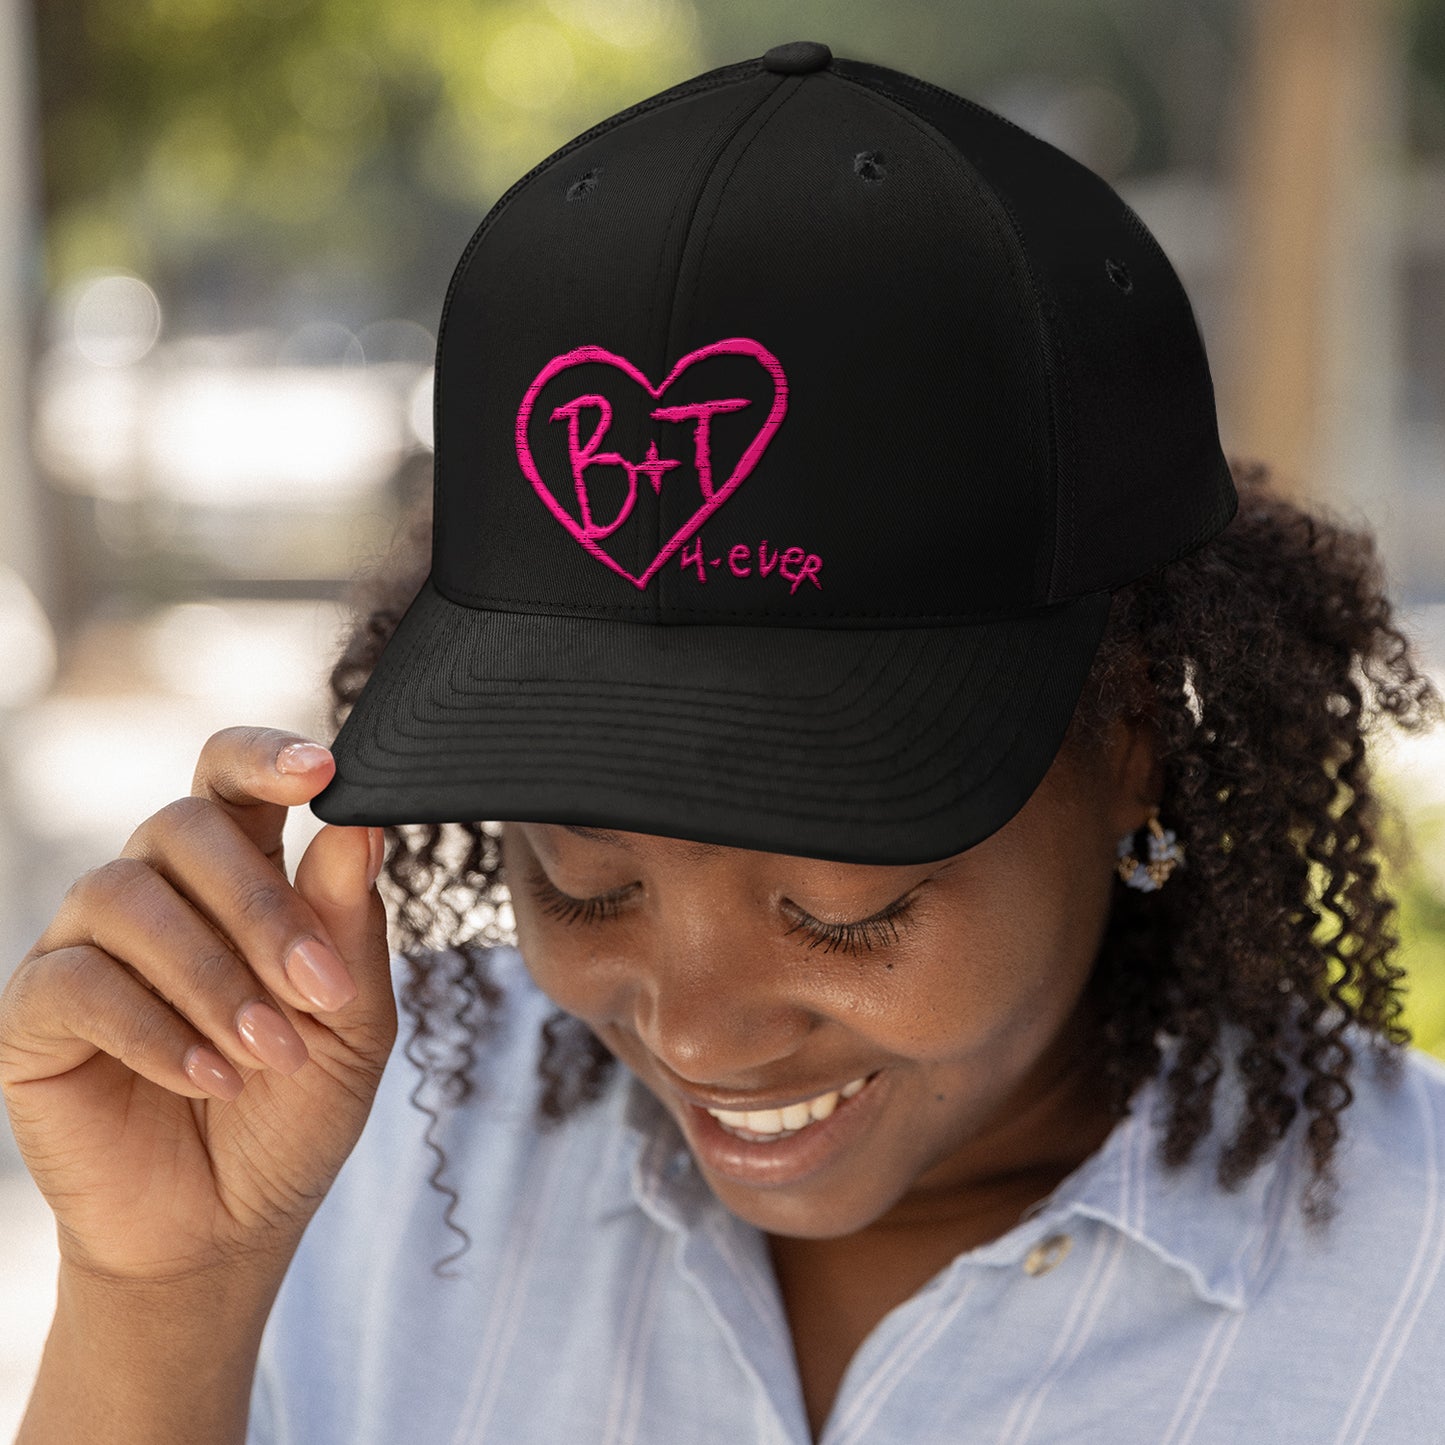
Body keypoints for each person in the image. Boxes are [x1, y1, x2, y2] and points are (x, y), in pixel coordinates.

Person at [4, 39, 1445, 1445]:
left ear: (1131, 733)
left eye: (841, 908)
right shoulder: (361, 1142)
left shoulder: (1406, 1297)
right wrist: (161, 1297)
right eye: (581, 879)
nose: (694, 1029)